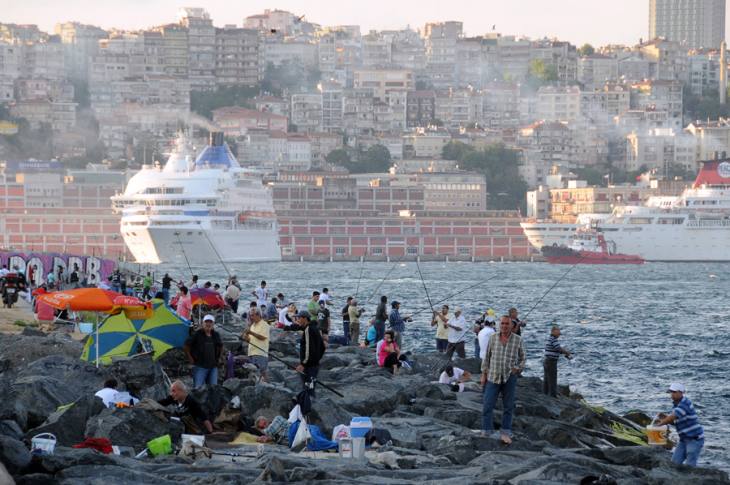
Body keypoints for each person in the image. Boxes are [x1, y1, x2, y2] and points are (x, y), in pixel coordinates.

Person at [480, 315, 526, 445]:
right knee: (487, 405)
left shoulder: (518, 340)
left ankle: (506, 430)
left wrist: (518, 369)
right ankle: (487, 430)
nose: (505, 326)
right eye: (503, 324)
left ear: (512, 326)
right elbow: (487, 357)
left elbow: (523, 358)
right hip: (493, 376)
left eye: (507, 324)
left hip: (509, 377)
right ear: (500, 325)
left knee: (508, 406)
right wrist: (483, 374)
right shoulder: (493, 338)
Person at [655, 383, 704, 467]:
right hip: (684, 440)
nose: (672, 394)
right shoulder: (676, 405)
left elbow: (673, 417)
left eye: (674, 392)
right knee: (674, 463)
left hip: (694, 439)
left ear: (681, 393)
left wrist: (660, 424)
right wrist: (664, 418)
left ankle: (690, 479)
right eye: (671, 392)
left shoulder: (685, 403)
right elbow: (675, 421)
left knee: (690, 465)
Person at [284, 310, 326, 397]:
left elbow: (308, 348)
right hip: (314, 365)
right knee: (310, 387)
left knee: (307, 388)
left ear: (304, 318)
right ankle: (310, 405)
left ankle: (308, 407)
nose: (297, 320)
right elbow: (322, 347)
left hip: (308, 366)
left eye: (299, 318)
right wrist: (317, 359)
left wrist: (303, 364)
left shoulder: (308, 329)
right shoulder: (314, 328)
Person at [184, 314, 223, 389]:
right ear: (203, 323)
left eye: (210, 322)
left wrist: (219, 358)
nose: (208, 324)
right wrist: (190, 358)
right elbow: (186, 345)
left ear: (213, 324)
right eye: (206, 322)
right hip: (200, 366)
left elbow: (221, 345)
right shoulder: (197, 334)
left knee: (213, 389)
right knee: (198, 389)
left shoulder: (215, 335)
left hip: (213, 367)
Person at [543, 325, 572, 397]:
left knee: (547, 378)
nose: (559, 334)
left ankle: (545, 393)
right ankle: (553, 395)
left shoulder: (551, 339)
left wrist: (564, 353)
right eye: (558, 332)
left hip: (547, 360)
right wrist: (567, 352)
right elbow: (558, 348)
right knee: (552, 378)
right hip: (551, 362)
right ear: (553, 331)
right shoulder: (553, 339)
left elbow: (557, 349)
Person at [243, 308, 270, 382]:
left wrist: (251, 333)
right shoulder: (252, 326)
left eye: (252, 315)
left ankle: (268, 387)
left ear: (258, 315)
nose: (251, 317)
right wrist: (246, 336)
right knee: (255, 374)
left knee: (261, 373)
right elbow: (249, 340)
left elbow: (263, 337)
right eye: (250, 316)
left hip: (260, 353)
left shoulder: (264, 324)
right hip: (251, 353)